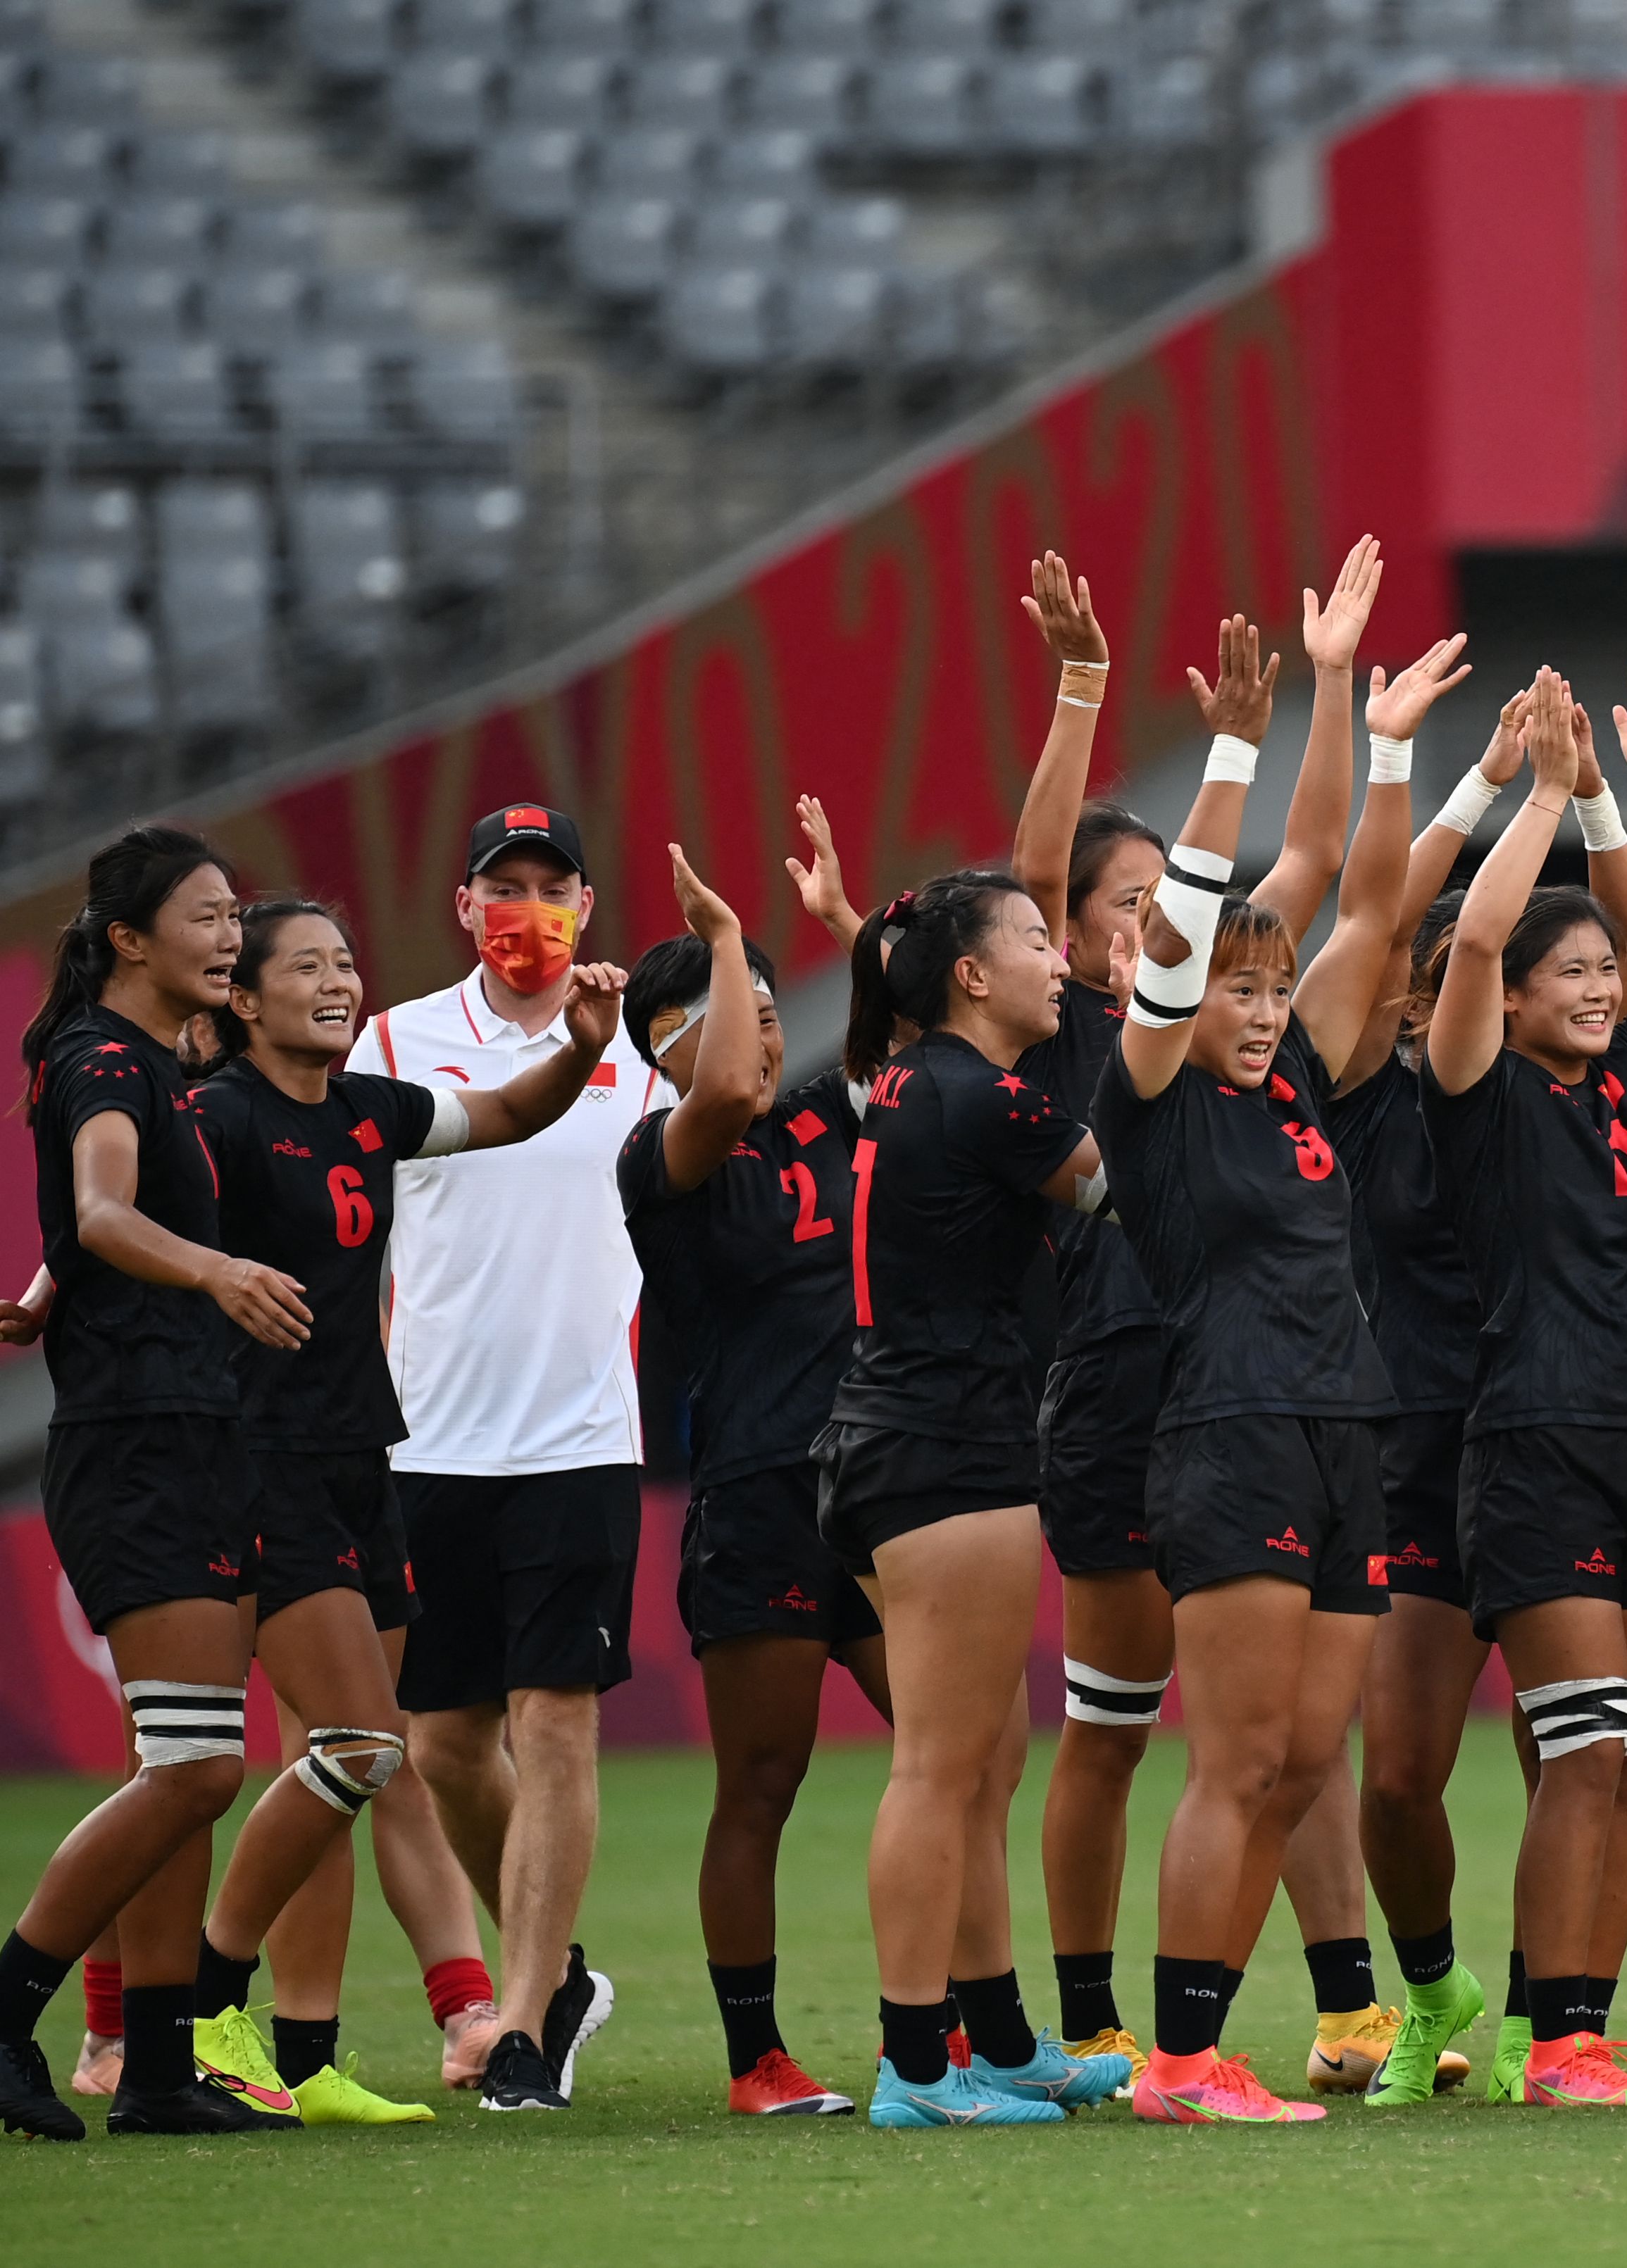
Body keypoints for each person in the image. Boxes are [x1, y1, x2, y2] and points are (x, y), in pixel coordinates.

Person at [1002, 546, 1440, 2092]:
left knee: (1301, 1758)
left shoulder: (1289, 1062)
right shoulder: (1128, 1071)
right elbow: (1162, 932)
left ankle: (1301, 2016)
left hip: (1335, 1426)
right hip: (1195, 1410)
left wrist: (1360, 709)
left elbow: (1351, 884)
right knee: (1183, 1740)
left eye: (1272, 990)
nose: (1256, 1004)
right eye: (1228, 985)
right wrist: (1211, 739)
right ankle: (1149, 2039)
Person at [170, 898, 623, 2124]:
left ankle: (307, 2057)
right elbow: (118, 1219)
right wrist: (55, 1287)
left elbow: (513, 1112)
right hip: (263, 1464)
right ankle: (201, 2010)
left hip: (367, 1463)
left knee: (368, 1762)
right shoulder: (213, 1119)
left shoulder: (370, 1109)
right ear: (242, 1001)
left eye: (345, 961)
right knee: (359, 1749)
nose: (335, 981)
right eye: (303, 966)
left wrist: (582, 1045)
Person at [1330, 689, 1627, 2106]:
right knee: (1399, 1775)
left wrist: (1582, 794)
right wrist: (1465, 776)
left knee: (1575, 1749)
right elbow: (1384, 918)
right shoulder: (1364, 1086)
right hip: (1424, 1446)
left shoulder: (1565, 1075)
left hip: (1559, 1428)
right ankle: (1432, 1989)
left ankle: (1548, 2020)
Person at [1423, 662, 1627, 2108]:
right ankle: (1550, 2045)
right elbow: (1475, 941)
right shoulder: (1479, 1089)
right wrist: (1545, 791)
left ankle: (1586, 2032)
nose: (1608, 984)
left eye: (1611, 971)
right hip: (1537, 1434)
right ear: (1513, 994)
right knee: (1581, 1746)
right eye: (1578, 971)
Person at [347, 801, 664, 2110]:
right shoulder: (388, 1039)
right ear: (464, 906)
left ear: (587, 904)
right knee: (442, 1746)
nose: (526, 908)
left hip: (583, 1437)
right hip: (427, 1440)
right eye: (502, 885)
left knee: (558, 1722)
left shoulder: (645, 1046)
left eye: (552, 884)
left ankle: (525, 2023)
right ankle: (562, 1975)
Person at [0, 830, 313, 2138]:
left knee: (180, 1758)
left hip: (189, 1431)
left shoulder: (161, 1065)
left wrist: (34, 1302)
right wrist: (216, 1271)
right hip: (141, 1441)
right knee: (193, 1770)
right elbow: (106, 1210)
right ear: (130, 939)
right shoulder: (105, 1062)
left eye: (236, 912)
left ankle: (163, 2075)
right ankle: (13, 2003)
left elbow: (78, 1238)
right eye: (205, 914)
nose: (229, 933)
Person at [818, 860, 1132, 2130]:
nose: (1059, 960)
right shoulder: (982, 1097)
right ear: (970, 973)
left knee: (984, 1759)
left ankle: (998, 2041)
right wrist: (1161, 1020)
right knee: (941, 1768)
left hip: (897, 1441)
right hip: (943, 1453)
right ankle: (914, 2065)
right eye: (1036, 941)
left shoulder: (914, 1077)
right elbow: (1129, 1185)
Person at [618, 842, 894, 2118]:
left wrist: (845, 916)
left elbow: (920, 1010)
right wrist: (729, 943)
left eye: (780, 1015)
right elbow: (722, 1081)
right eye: (738, 1017)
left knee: (971, 1751)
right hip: (761, 1497)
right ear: (663, 1048)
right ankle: (756, 2060)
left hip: (885, 1488)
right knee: (764, 1785)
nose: (763, 1040)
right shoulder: (666, 1158)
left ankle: (955, 2037)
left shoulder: (830, 1115)